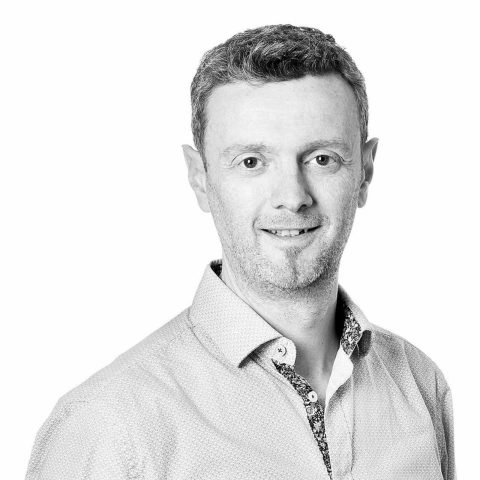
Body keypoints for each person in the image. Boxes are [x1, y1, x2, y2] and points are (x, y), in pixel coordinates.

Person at [25, 24, 455, 480]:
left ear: (364, 172)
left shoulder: (420, 385)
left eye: (322, 159)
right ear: (200, 178)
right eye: (251, 162)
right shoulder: (107, 427)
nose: (292, 197)